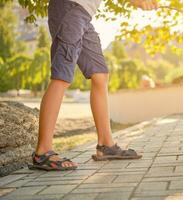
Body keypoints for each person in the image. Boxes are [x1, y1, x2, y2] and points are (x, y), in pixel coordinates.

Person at [29, 0, 158, 171]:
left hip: (83, 15)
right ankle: (43, 152)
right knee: (62, 76)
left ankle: (106, 145)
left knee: (100, 75)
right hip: (70, 8)